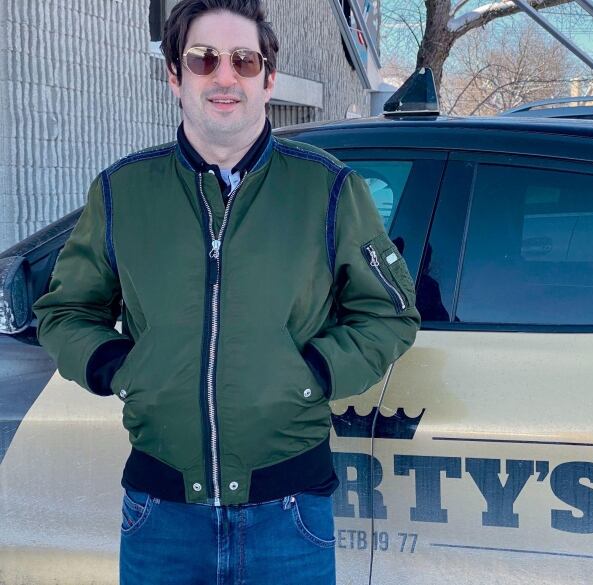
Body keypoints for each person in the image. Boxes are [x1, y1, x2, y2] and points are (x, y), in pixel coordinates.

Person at [32, 1, 420, 583]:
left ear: (268, 78)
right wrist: (120, 366)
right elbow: (64, 312)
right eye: (202, 58)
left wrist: (311, 371)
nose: (224, 75)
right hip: (160, 516)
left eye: (243, 59)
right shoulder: (122, 192)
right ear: (174, 76)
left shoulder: (329, 189)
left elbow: (389, 313)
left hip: (290, 515)